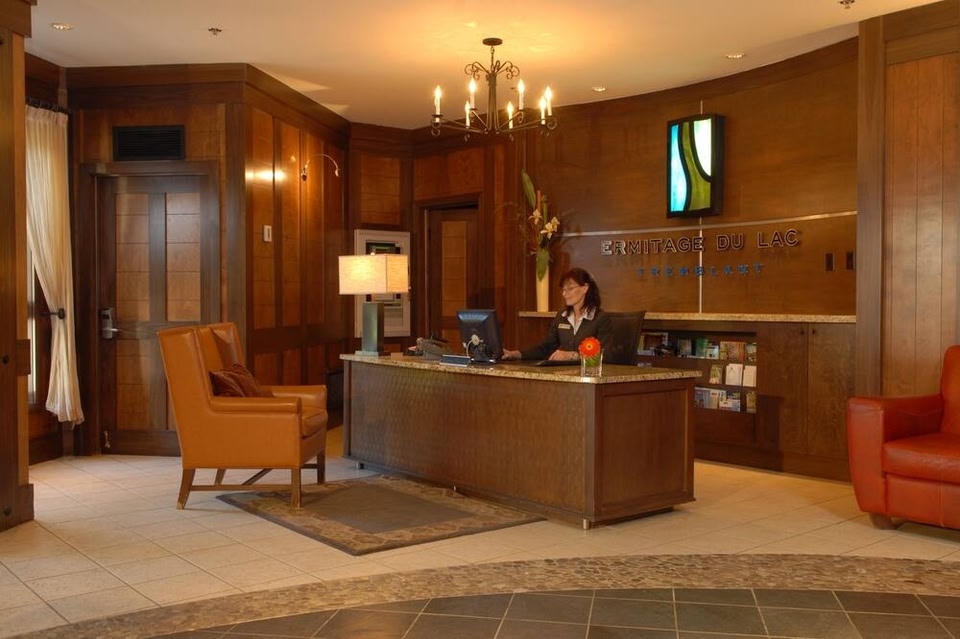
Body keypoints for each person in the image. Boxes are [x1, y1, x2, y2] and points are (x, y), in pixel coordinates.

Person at [502, 267, 613, 362]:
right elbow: (546, 348)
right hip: (564, 375)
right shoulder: (561, 317)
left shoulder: (600, 318)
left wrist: (573, 356)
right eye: (563, 289)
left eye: (570, 288)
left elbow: (605, 355)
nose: (564, 294)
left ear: (585, 288)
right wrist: (515, 354)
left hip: (588, 376)